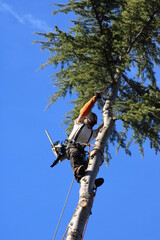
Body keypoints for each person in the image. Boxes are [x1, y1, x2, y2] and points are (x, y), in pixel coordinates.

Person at [66, 93, 103, 182]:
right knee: (75, 158)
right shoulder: (79, 123)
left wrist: (109, 120)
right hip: (72, 148)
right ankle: (78, 173)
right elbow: (84, 111)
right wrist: (94, 98)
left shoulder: (92, 133)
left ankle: (90, 180)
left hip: (82, 153)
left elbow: (102, 128)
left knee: (92, 159)